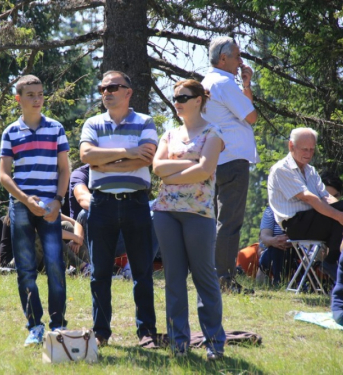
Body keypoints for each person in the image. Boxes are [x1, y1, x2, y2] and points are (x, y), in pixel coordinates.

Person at [80, 70, 158, 348]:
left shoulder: (145, 121)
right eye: (102, 88)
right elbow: (87, 156)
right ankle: (100, 333)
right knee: (99, 272)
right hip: (101, 204)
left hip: (137, 203)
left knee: (142, 272)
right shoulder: (92, 123)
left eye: (113, 87)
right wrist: (128, 153)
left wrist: (105, 164)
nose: (106, 92)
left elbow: (146, 157)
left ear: (128, 92)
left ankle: (147, 332)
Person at [152, 79, 226, 360]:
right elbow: (157, 168)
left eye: (183, 96)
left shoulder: (213, 133)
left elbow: (205, 171)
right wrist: (190, 164)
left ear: (199, 100)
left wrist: (176, 172)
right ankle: (178, 344)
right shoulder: (169, 135)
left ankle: (214, 344)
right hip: (165, 214)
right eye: (175, 97)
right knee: (173, 278)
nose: (178, 101)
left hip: (198, 214)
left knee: (204, 277)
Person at [0, 75, 70, 346]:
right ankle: (35, 326)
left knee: (55, 266)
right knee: (26, 269)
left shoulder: (56, 128)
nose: (37, 98)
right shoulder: (10, 132)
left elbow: (64, 169)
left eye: (40, 93)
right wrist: (25, 200)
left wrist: (58, 200)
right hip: (21, 206)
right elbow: (4, 175)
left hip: (51, 206)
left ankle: (58, 326)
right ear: (18, 99)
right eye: (30, 94)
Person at [201, 36, 259, 293]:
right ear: (223, 59)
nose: (240, 61)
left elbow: (246, 108)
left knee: (217, 220)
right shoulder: (224, 82)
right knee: (230, 221)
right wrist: (244, 86)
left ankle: (213, 276)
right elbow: (251, 115)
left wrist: (246, 84)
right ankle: (223, 279)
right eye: (237, 56)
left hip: (215, 159)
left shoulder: (210, 81)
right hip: (232, 159)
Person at [268, 127, 343, 283]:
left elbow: (326, 197)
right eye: (304, 149)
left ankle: (331, 261)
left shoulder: (311, 171)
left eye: (311, 149)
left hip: (313, 219)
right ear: (291, 146)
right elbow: (309, 198)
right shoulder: (281, 169)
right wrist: (338, 215)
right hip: (295, 224)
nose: (308, 154)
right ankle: (331, 261)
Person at [258, 206, 294, 285]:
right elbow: (264, 236)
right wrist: (274, 241)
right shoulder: (271, 211)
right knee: (278, 248)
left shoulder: (303, 207)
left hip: (298, 250)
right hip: (273, 251)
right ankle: (279, 282)